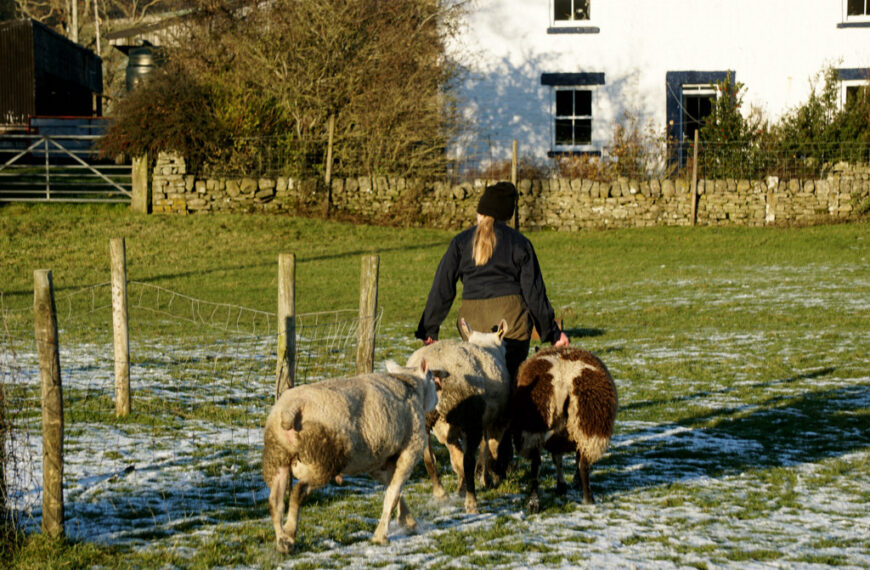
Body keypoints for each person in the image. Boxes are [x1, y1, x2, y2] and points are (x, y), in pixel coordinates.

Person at [415, 181, 569, 384]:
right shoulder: (520, 243)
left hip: (472, 324)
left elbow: (442, 288)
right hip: (511, 324)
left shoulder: (460, 242)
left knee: (478, 382)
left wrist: (429, 329)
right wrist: (553, 333)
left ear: (481, 211)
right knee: (511, 383)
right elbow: (534, 294)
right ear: (507, 215)